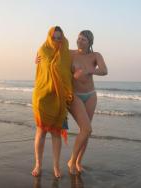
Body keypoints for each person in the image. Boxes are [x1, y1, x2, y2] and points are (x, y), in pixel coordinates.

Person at [32, 26, 73, 178]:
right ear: (49, 37)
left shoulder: (66, 52)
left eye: (59, 37)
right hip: (42, 97)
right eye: (54, 37)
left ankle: (56, 166)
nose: (56, 40)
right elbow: (41, 72)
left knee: (56, 133)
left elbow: (67, 70)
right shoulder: (42, 50)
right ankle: (38, 164)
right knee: (41, 131)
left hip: (59, 100)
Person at [67, 30, 108, 174]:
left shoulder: (95, 55)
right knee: (87, 129)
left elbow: (104, 70)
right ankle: (71, 161)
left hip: (90, 95)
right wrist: (38, 57)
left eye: (83, 39)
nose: (79, 41)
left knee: (86, 132)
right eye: (78, 38)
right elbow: (51, 49)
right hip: (75, 95)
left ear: (90, 42)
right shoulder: (70, 53)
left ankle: (78, 162)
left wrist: (88, 71)